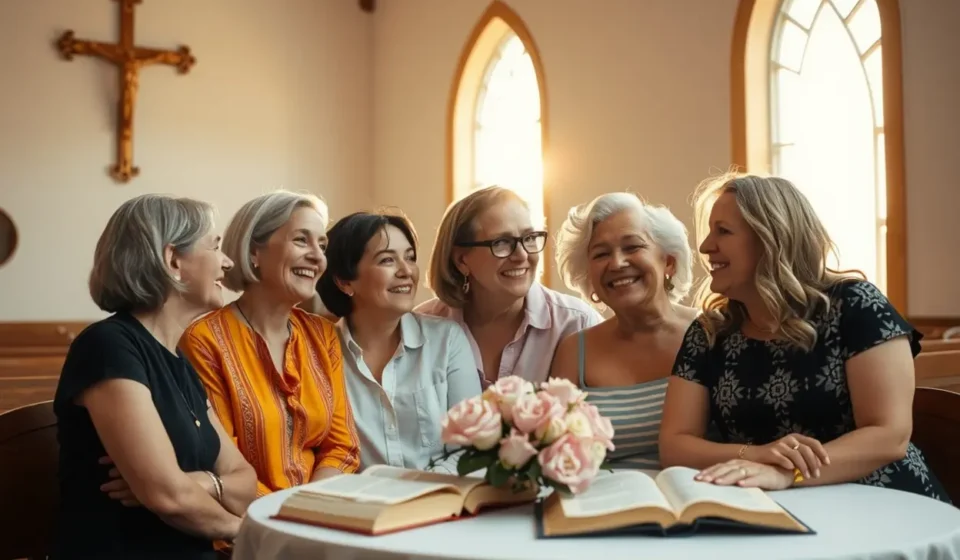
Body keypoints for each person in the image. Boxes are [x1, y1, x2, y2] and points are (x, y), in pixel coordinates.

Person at [658, 173, 950, 503]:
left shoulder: (856, 305)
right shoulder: (709, 333)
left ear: (772, 238)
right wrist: (759, 456)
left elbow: (889, 436)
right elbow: (675, 445)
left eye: (723, 231)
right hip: (766, 503)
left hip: (882, 499)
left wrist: (788, 473)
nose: (706, 246)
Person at [52, 195, 257, 559]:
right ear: (173, 260)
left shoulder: (180, 362)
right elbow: (169, 497)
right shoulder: (108, 346)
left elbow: (245, 483)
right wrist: (248, 532)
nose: (227, 263)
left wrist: (199, 483)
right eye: (216, 246)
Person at [179, 191, 361, 497]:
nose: (318, 256)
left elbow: (342, 446)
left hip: (318, 514)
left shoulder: (323, 335)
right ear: (254, 253)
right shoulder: (204, 340)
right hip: (246, 527)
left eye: (322, 245)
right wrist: (285, 516)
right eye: (301, 240)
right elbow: (221, 462)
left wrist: (308, 509)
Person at [318, 210, 482, 472]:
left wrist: (411, 495)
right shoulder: (321, 355)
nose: (407, 271)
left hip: (439, 502)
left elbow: (474, 450)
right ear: (344, 281)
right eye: (387, 260)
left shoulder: (447, 341)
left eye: (410, 257)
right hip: (359, 507)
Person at [550, 193, 698, 469]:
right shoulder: (574, 351)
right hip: (610, 502)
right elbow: (556, 455)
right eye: (601, 254)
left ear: (668, 262)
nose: (617, 263)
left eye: (632, 247)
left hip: (703, 498)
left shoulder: (714, 333)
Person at [416, 186, 602, 387]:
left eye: (529, 238)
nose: (522, 255)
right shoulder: (421, 330)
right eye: (502, 242)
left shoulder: (578, 323)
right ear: (462, 260)